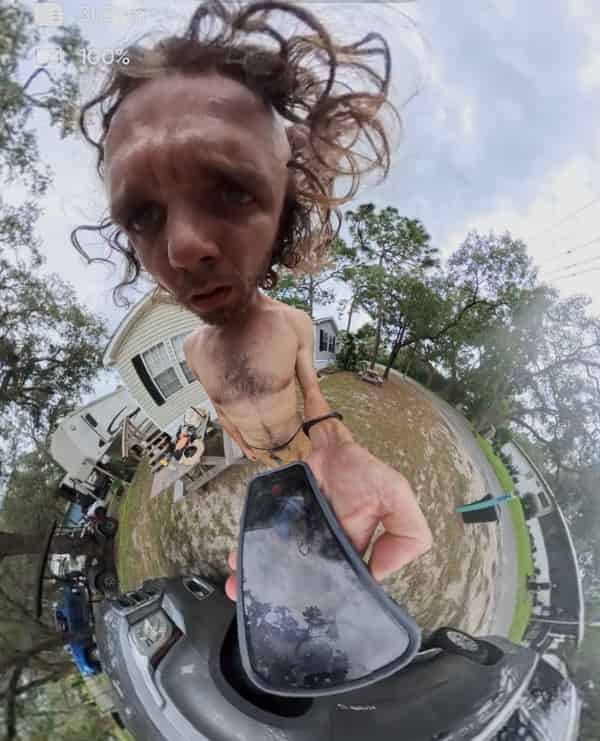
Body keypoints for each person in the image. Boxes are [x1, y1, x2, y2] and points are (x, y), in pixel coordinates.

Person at [72, 0, 432, 595]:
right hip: (264, 465)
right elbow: (222, 409)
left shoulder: (293, 324)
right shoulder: (191, 349)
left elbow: (313, 394)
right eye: (142, 216)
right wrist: (250, 459)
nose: (182, 247)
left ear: (286, 196)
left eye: (231, 190)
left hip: (304, 449)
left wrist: (336, 449)